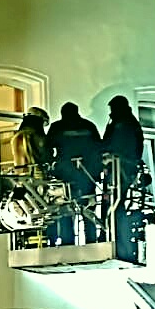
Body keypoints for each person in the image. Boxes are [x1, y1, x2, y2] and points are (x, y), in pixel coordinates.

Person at [44, 103, 103, 243]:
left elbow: (47, 148)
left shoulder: (57, 127)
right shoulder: (89, 126)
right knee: (88, 208)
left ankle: (68, 242)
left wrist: (53, 167)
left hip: (65, 175)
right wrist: (96, 173)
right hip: (86, 175)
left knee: (65, 209)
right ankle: (91, 240)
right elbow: (98, 149)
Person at [101, 96, 146, 260]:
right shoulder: (129, 122)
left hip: (119, 168)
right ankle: (114, 236)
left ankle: (113, 236)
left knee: (114, 203)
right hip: (122, 167)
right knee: (114, 203)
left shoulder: (122, 123)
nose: (110, 112)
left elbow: (113, 143)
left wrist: (106, 155)